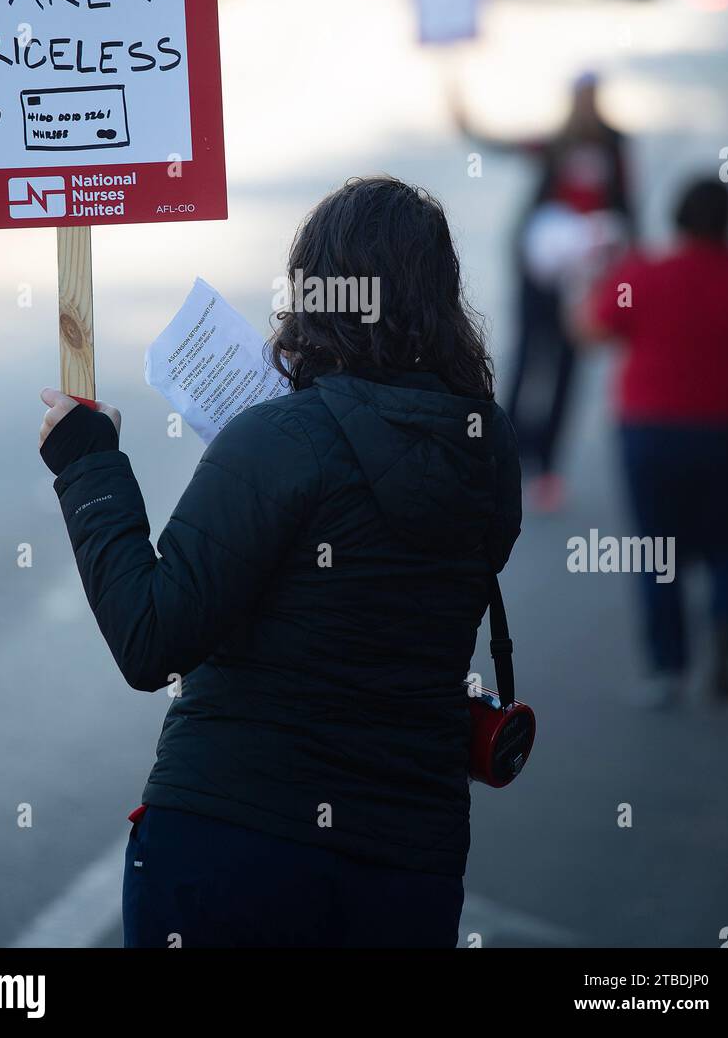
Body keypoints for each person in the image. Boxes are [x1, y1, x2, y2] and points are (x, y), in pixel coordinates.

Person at [37, 176, 522, 949]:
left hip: (234, 840)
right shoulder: (486, 445)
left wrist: (88, 467)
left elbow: (150, 640)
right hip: (408, 863)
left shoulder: (281, 440)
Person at [578, 178, 728, 706]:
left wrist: (590, 282)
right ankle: (726, 627)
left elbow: (590, 332)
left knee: (657, 549)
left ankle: (668, 666)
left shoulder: (643, 273)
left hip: (651, 431)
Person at [456, 71, 633, 513]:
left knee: (568, 367)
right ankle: (508, 453)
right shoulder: (555, 142)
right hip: (540, 270)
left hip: (586, 275)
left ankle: (549, 465)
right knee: (530, 358)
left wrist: (628, 273)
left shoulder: (615, 144)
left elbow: (628, 204)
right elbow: (503, 146)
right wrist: (464, 119)